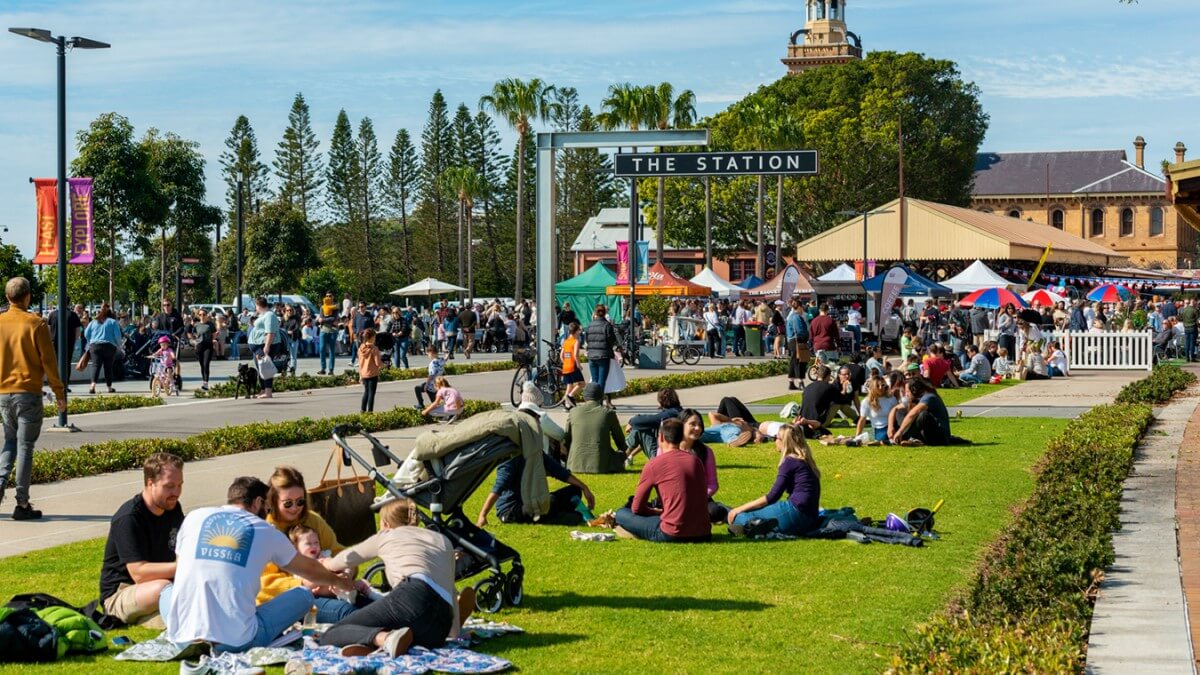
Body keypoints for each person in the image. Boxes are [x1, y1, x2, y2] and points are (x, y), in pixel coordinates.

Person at [160, 477, 354, 652]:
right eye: (268, 507)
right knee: (303, 596)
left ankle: (195, 636)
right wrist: (338, 581)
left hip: (182, 636)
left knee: (166, 591)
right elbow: (310, 570)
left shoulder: (194, 517)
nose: (268, 513)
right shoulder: (263, 529)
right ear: (258, 502)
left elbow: (183, 567)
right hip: (238, 640)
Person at [320, 498, 474, 657]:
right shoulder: (443, 540)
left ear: (385, 524)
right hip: (439, 625)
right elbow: (450, 589)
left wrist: (325, 563)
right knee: (404, 630)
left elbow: (346, 559)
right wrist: (453, 633)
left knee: (332, 634)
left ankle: (385, 639)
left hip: (412, 596)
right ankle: (382, 643)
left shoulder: (387, 535)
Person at [99, 453, 184, 628]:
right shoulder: (129, 518)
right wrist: (185, 567)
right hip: (122, 593)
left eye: (179, 485)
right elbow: (139, 573)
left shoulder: (173, 507)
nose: (176, 493)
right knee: (163, 588)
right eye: (169, 486)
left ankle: (168, 618)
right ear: (150, 483)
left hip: (160, 586)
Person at [258, 467, 351, 624]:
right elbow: (264, 584)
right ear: (273, 500)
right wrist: (304, 583)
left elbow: (338, 551)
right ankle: (382, 638)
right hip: (288, 601)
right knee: (345, 612)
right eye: (288, 503)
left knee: (368, 604)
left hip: (327, 589)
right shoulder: (265, 529)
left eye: (300, 501)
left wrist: (347, 570)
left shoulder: (312, 520)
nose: (295, 508)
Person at [476, 407, 596, 527]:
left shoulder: (534, 450)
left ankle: (563, 515)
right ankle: (568, 516)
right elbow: (499, 487)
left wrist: (584, 487)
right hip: (511, 511)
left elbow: (559, 471)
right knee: (555, 506)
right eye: (536, 424)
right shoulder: (511, 455)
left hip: (532, 502)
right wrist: (483, 515)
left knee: (574, 490)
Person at [614, 418, 711, 543]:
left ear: (660, 437)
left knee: (621, 513)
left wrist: (655, 512)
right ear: (681, 437)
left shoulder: (654, 464)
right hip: (703, 532)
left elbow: (637, 508)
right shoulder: (695, 461)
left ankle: (632, 530)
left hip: (672, 532)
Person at [726, 425, 821, 537]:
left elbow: (772, 496)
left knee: (738, 516)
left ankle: (757, 526)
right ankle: (759, 525)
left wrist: (739, 509)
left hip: (795, 513)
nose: (775, 441)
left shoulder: (790, 461)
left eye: (777, 438)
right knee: (752, 513)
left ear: (784, 441)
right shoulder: (805, 459)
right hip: (811, 518)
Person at [678, 409, 729, 524]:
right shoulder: (667, 449)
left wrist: (697, 498)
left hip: (700, 498)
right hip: (673, 498)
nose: (697, 428)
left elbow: (712, 484)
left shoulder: (706, 452)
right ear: (681, 424)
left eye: (699, 425)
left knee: (714, 511)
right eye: (692, 424)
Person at [564, 383, 628, 474]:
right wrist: (623, 454)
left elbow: (566, 439)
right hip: (601, 465)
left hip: (575, 465)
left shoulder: (573, 412)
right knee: (619, 455)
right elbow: (620, 441)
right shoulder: (608, 413)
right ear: (602, 397)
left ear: (584, 397)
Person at [625, 388, 683, 462]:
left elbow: (639, 421)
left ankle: (622, 455)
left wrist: (631, 421)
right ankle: (627, 455)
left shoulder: (669, 414)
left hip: (662, 456)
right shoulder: (679, 411)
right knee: (645, 426)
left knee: (640, 429)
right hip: (672, 452)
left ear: (661, 400)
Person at [891, 378, 953, 446]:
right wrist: (890, 427)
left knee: (923, 415)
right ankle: (909, 438)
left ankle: (903, 437)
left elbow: (913, 413)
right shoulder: (921, 398)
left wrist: (900, 431)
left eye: (907, 391)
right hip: (929, 434)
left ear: (914, 390)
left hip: (940, 438)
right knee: (900, 411)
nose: (906, 394)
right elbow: (897, 408)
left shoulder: (929, 397)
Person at [83, 305, 122, 394]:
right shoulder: (113, 322)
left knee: (95, 366)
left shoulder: (93, 322)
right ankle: (109, 387)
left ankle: (92, 385)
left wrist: (91, 341)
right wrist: (118, 345)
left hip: (95, 346)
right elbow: (117, 336)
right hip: (109, 346)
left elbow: (86, 334)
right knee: (108, 367)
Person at [247, 297, 282, 399]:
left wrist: (267, 347)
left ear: (258, 305)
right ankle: (263, 390)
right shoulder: (263, 315)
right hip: (258, 346)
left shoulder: (269, 315)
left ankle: (268, 391)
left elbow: (270, 332)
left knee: (265, 367)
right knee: (261, 368)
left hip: (265, 345)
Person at [794, 365, 837, 439]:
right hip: (815, 420)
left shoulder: (808, 386)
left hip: (802, 416)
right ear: (828, 376)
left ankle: (806, 422)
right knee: (827, 433)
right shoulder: (829, 387)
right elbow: (839, 399)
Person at [584, 304, 619, 388]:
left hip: (592, 355)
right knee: (601, 381)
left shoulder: (590, 325)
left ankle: (594, 399)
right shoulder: (607, 325)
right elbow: (611, 340)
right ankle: (599, 400)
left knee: (594, 380)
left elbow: (587, 339)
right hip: (603, 355)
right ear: (605, 313)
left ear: (595, 313)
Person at [854, 378, 897, 444]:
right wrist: (857, 436)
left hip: (890, 427)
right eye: (877, 386)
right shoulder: (866, 401)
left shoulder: (891, 398)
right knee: (862, 438)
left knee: (882, 437)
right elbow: (862, 419)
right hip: (875, 429)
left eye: (882, 385)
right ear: (872, 387)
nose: (880, 388)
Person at [785, 299, 809, 391]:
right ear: (799, 307)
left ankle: (791, 382)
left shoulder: (790, 316)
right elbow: (800, 331)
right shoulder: (796, 317)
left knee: (794, 361)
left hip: (791, 340)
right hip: (797, 340)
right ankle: (800, 382)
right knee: (800, 361)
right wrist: (806, 336)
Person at [48, 303, 82, 367]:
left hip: (54, 341)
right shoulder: (73, 314)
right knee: (67, 362)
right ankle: (66, 376)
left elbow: (49, 329)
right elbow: (78, 330)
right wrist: (75, 340)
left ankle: (56, 376)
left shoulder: (52, 314)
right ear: (68, 303)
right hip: (69, 342)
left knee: (55, 362)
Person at [192, 308, 218, 391]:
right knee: (202, 365)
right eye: (200, 315)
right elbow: (193, 333)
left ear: (207, 315)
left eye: (204, 314)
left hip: (208, 346)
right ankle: (204, 380)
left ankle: (205, 383)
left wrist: (213, 340)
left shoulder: (210, 324)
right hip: (199, 346)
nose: (202, 316)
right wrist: (194, 341)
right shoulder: (196, 325)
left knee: (206, 364)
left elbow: (214, 334)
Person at [560, 322, 584, 408]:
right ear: (576, 331)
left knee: (569, 385)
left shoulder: (566, 341)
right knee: (581, 383)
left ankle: (566, 405)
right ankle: (570, 396)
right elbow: (575, 355)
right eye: (579, 330)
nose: (580, 332)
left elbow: (561, 355)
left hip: (566, 366)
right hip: (573, 366)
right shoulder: (576, 341)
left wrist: (565, 362)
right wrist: (578, 365)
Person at [318, 293, 339, 374]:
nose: (328, 297)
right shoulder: (322, 307)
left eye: (330, 296)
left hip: (333, 331)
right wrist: (326, 319)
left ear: (333, 297)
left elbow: (334, 318)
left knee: (331, 350)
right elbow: (320, 317)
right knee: (322, 349)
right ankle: (323, 368)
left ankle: (331, 369)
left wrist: (323, 320)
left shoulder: (335, 307)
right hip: (323, 330)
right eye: (327, 296)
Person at [282, 306, 302, 376]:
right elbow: (280, 328)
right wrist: (287, 332)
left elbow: (296, 328)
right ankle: (284, 370)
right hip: (285, 339)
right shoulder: (283, 319)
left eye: (291, 310)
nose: (289, 311)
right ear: (285, 311)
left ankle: (292, 371)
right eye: (287, 310)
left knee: (293, 356)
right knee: (285, 356)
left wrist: (292, 331)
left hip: (294, 339)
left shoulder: (296, 319)